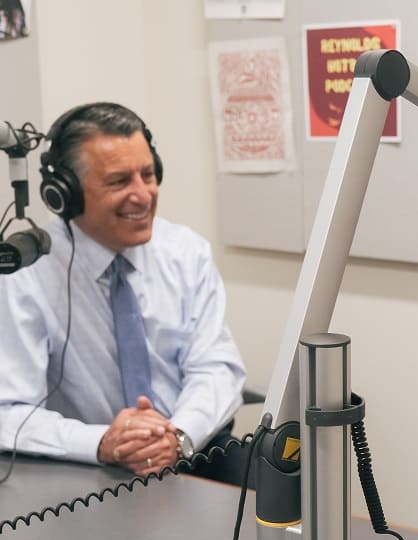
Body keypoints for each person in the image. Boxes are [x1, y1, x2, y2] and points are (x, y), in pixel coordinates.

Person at [0, 102, 249, 483]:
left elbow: (217, 367)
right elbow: (9, 409)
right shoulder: (27, 271)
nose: (143, 195)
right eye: (119, 181)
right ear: (63, 194)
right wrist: (102, 442)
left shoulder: (186, 252)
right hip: (87, 470)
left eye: (148, 174)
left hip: (190, 451)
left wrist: (176, 437)